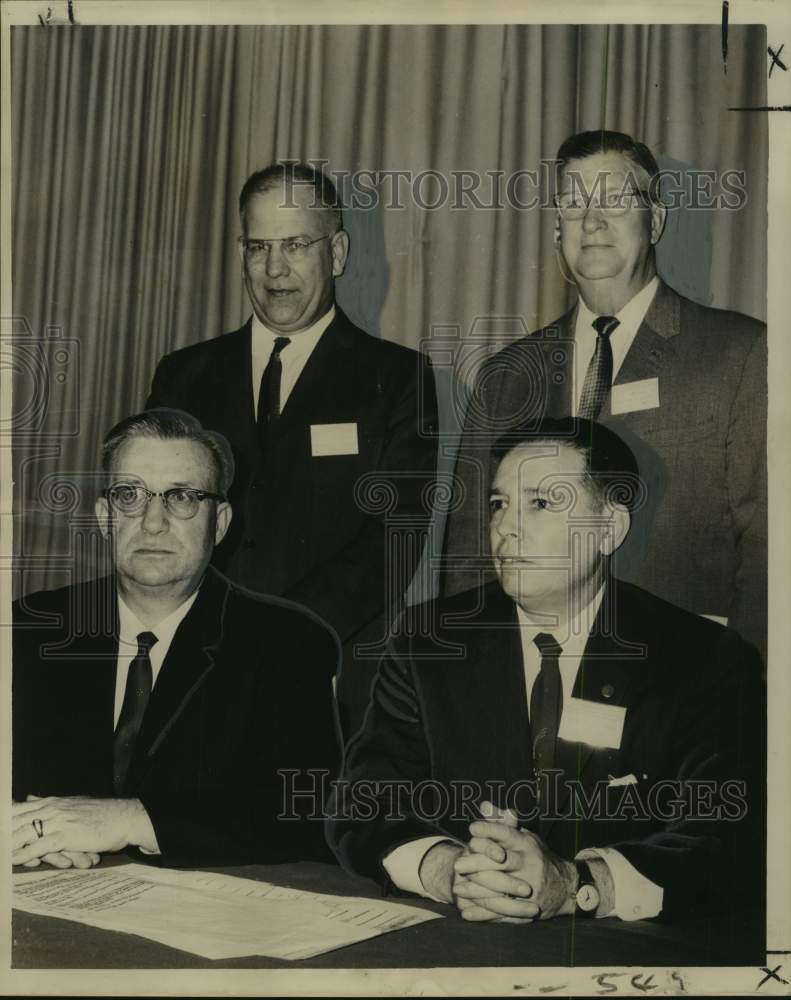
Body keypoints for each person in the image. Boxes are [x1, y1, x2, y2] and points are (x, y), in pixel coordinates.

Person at [329, 419, 764, 926]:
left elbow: (730, 835)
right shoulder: (428, 640)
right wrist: (447, 870)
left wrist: (576, 885)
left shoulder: (703, 658)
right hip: (460, 939)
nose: (506, 527)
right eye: (499, 504)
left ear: (609, 528)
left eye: (540, 502)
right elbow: (364, 799)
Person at [443, 130, 766, 663]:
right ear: (556, 230)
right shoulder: (507, 375)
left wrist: (744, 688)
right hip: (532, 673)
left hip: (680, 677)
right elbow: (468, 550)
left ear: (656, 220)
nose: (592, 221)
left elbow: (770, 551)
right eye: (573, 205)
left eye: (615, 200)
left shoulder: (739, 354)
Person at [146, 162, 438, 731]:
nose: (275, 269)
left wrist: (280, 638)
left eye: (297, 244)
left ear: (338, 253)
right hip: (190, 667)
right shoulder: (183, 375)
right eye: (259, 247)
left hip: (326, 673)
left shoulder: (400, 378)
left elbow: (394, 539)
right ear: (241, 252)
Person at [12, 409, 341, 870]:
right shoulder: (28, 630)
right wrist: (30, 830)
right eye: (130, 496)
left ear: (220, 523)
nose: (152, 522)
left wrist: (129, 820)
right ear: (105, 517)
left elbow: (308, 811)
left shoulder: (289, 642)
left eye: (182, 496)